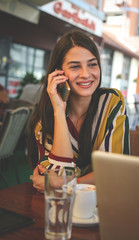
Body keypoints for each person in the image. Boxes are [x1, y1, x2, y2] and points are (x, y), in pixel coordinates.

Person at [28, 30, 130, 193]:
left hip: (103, 204)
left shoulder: (111, 101)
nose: (86, 74)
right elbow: (57, 174)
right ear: (58, 73)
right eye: (75, 66)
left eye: (92, 64)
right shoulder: (45, 120)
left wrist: (66, 184)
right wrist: (59, 112)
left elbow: (114, 170)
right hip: (59, 209)